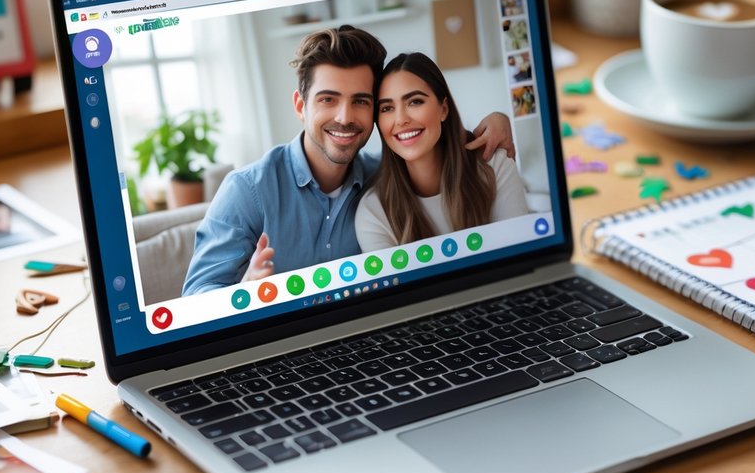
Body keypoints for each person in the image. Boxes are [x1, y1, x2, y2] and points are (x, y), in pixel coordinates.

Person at [181, 25, 514, 294]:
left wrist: (498, 120)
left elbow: (436, 150)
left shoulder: (384, 178)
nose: (345, 117)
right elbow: (195, 298)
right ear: (300, 106)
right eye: (328, 99)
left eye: (361, 101)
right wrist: (245, 293)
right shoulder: (247, 191)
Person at [355, 52, 530, 251]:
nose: (400, 119)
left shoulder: (494, 166)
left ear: (444, 109)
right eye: (387, 108)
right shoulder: (373, 212)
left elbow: (519, 256)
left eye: (415, 102)